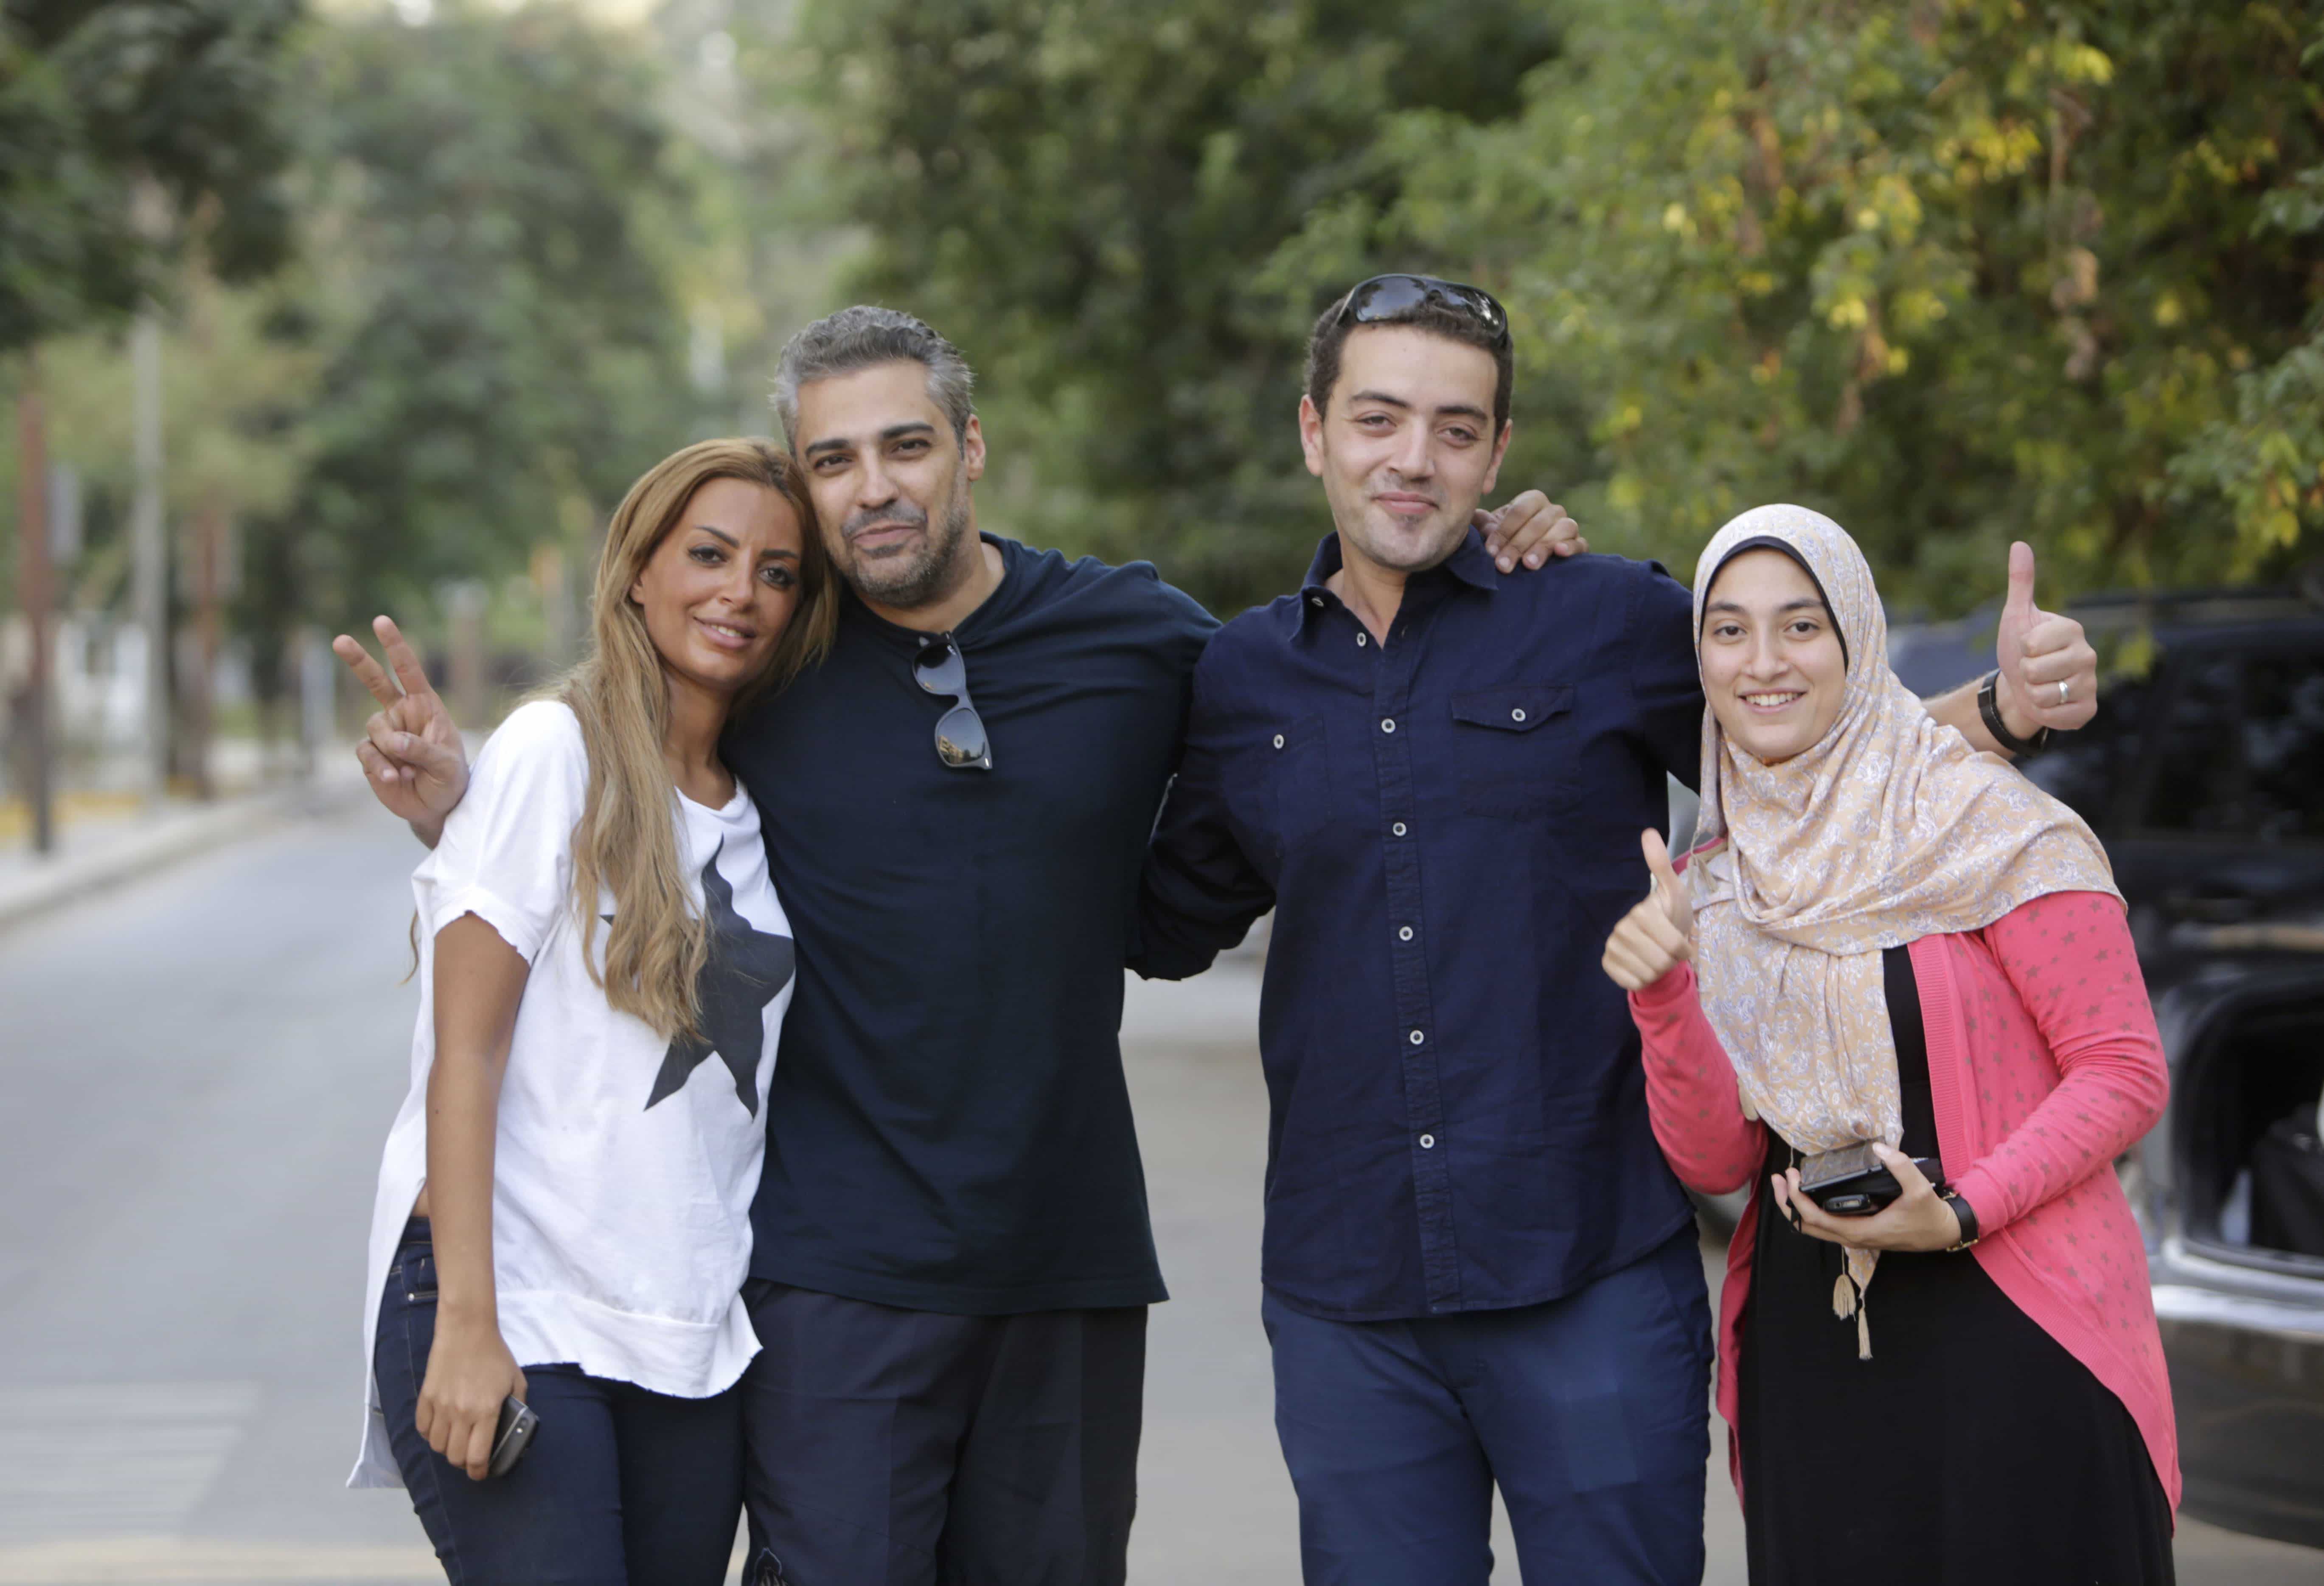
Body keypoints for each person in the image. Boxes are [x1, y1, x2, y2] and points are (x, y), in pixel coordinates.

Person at [339, 306, 1584, 1585]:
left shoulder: (1133, 635)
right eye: (832, 462)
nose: (873, 488)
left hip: (1067, 1271)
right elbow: (627, 794)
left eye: (905, 447)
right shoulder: (777, 655)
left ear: (969, 448)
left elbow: (1332, 683)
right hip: (832, 1284)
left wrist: (1478, 559)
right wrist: (467, 803)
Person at [1130, 276, 2105, 1585]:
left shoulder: (1602, 620)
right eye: (1377, 419)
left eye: (1455, 428)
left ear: (1497, 452)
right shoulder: (1241, 680)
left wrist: (2006, 709)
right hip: (1344, 1296)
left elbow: (1821, 759)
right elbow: (1164, 924)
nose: (1412, 459)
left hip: (1588, 1271)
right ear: (1313, 431)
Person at [1601, 504, 2177, 1583]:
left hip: (2023, 1332)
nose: (1762, 662)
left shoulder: (1984, 825)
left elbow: (2123, 1068)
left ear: (1856, 641)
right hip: (1813, 1352)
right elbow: (1719, 1163)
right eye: (1726, 631)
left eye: (1799, 625)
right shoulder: (1714, 887)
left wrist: (1959, 1209)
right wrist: (1665, 991)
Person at [342, 439, 837, 1584]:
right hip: (518, 1306)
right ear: (636, 573)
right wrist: (471, 1320)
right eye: (708, 556)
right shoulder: (549, 752)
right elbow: (462, 1054)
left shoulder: (765, 808)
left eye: (776, 572)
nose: (740, 594)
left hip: (685, 1332)